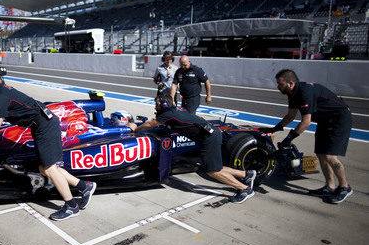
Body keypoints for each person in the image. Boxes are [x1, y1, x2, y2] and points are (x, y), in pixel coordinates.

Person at [0, 70, 96, 220]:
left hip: (45, 125)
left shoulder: (0, 97)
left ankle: (71, 206)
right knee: (44, 169)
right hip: (41, 124)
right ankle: (85, 186)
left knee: (49, 168)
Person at [126, 92, 256, 203]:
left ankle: (245, 189)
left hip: (208, 138)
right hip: (211, 134)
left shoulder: (165, 115)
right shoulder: (174, 112)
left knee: (212, 171)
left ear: (164, 105)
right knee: (216, 167)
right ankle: (247, 174)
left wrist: (136, 128)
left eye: (157, 104)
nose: (155, 106)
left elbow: (150, 124)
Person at [260, 69, 353, 204]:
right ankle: (330, 186)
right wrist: (276, 128)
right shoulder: (292, 93)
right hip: (325, 120)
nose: (278, 87)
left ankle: (345, 187)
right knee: (321, 153)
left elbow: (306, 122)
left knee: (330, 156)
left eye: (280, 84)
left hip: (339, 119)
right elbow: (291, 115)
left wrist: (289, 138)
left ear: (290, 83)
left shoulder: (304, 92)